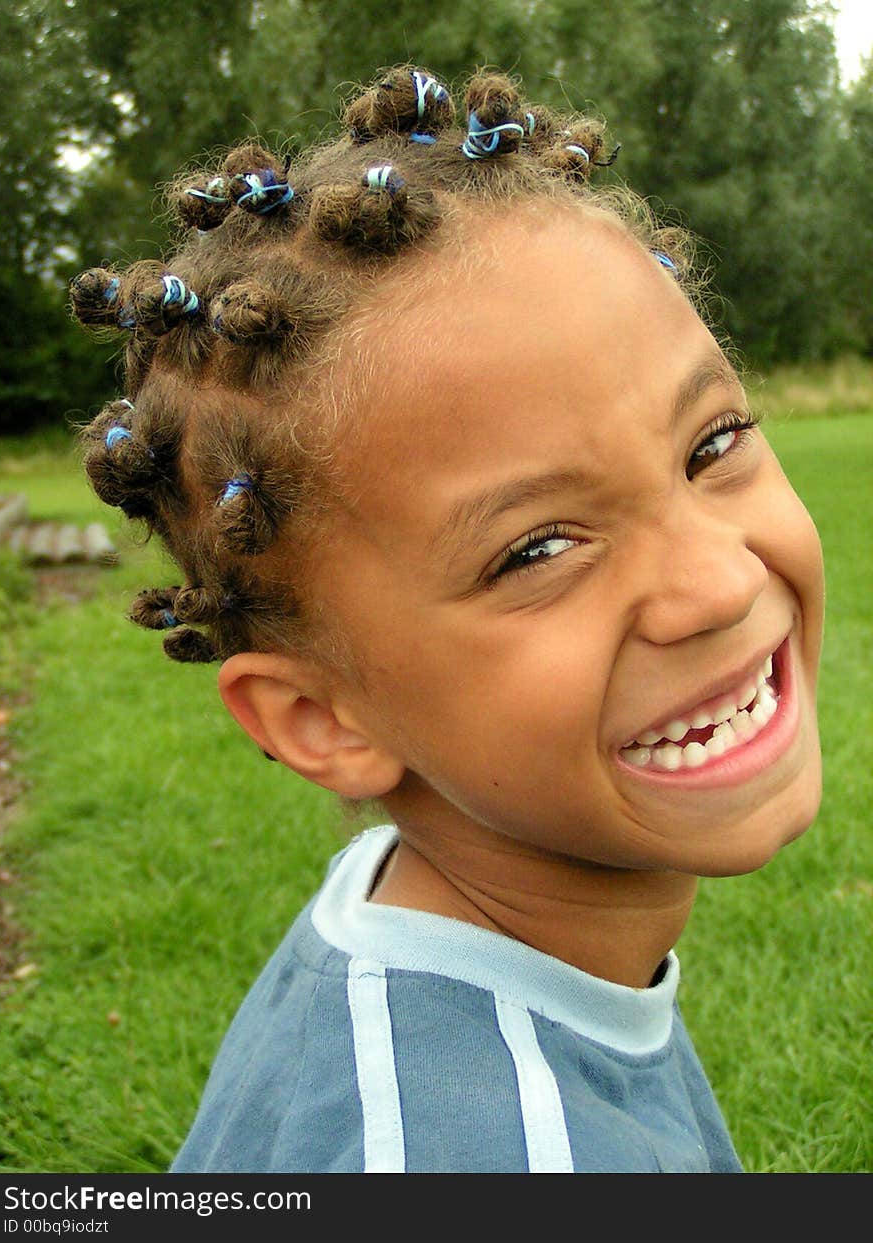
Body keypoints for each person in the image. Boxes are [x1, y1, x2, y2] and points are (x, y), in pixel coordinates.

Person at [68, 66, 824, 1174]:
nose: (715, 582)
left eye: (711, 443)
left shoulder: (392, 896)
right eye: (535, 549)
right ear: (319, 720)